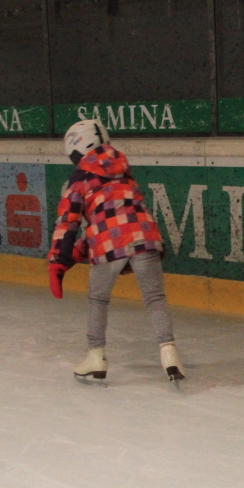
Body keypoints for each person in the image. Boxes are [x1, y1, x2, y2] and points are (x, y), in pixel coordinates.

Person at [47, 119, 185, 383]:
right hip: (145, 236)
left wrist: (58, 260)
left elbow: (68, 222)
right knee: (155, 298)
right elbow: (113, 219)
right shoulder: (123, 169)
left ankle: (96, 355)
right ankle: (169, 352)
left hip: (108, 243)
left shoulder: (80, 178)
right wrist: (73, 255)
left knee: (98, 300)